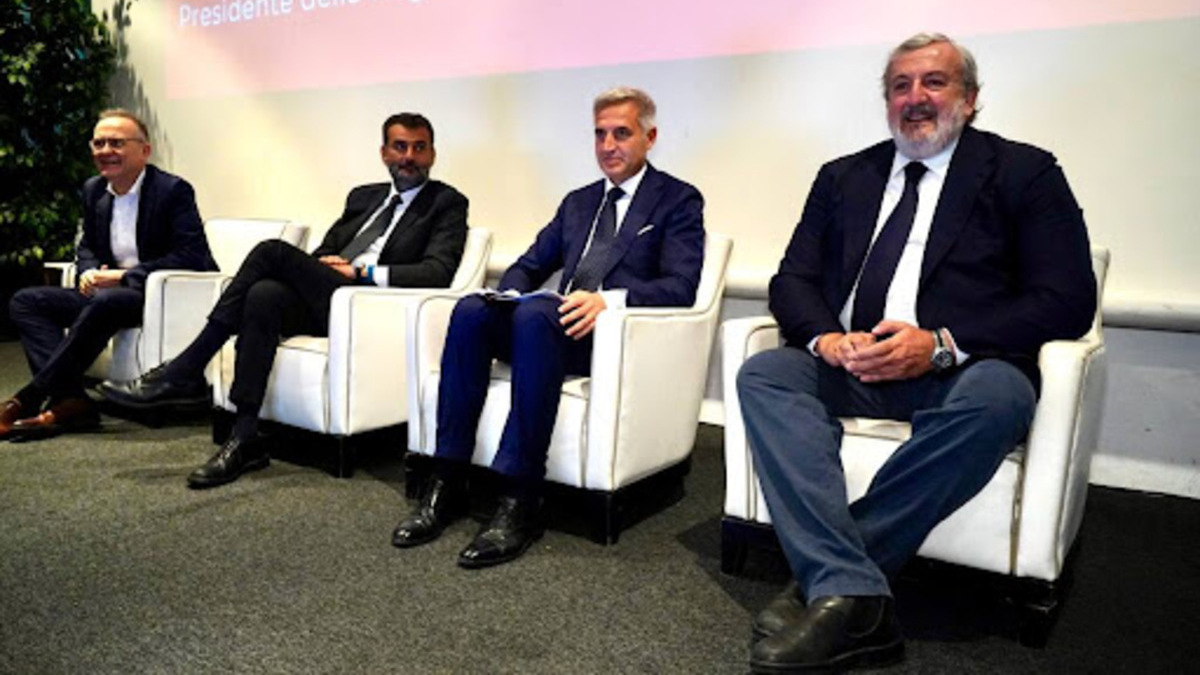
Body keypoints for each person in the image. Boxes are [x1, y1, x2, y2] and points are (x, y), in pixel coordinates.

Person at [737, 33, 1096, 673]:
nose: (915, 97)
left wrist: (940, 346)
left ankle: (831, 588)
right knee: (765, 373)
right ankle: (852, 594)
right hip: (851, 364)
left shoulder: (1025, 172)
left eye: (934, 82)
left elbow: (1066, 299)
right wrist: (827, 339)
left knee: (1000, 398)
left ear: (971, 98)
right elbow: (792, 281)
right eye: (900, 86)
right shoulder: (843, 177)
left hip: (959, 370)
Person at [392, 87, 705, 569]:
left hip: (610, 337)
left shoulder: (677, 200)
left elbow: (681, 286)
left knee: (539, 315)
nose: (608, 145)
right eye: (600, 134)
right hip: (547, 327)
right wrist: (509, 295)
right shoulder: (579, 203)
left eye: (621, 133)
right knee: (474, 310)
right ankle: (447, 478)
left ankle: (520, 497)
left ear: (650, 137)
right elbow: (528, 265)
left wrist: (606, 301)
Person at [100, 112, 468, 489]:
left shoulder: (447, 203)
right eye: (400, 147)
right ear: (384, 152)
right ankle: (244, 437)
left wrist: (361, 272)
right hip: (330, 301)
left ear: (432, 154)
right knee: (264, 295)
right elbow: (325, 250)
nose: (409, 156)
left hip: (372, 308)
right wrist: (326, 263)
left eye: (419, 148)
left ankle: (187, 368)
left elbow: (437, 272)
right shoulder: (364, 197)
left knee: (271, 251)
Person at [2, 109, 216, 442]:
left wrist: (124, 276)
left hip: (154, 296)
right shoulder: (94, 190)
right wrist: (87, 271)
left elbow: (193, 255)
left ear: (144, 150)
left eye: (116, 143)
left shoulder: (172, 191)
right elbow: (87, 245)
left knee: (109, 300)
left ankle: (27, 398)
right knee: (27, 301)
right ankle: (71, 400)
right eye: (98, 143)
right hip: (107, 297)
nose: (105, 151)